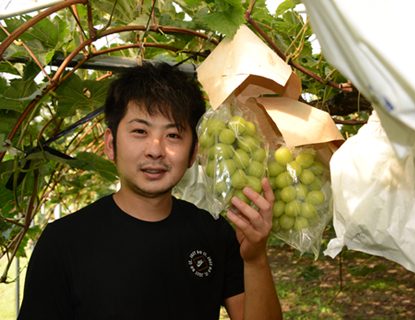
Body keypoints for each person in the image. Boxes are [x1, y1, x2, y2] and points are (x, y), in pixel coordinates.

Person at [17, 62, 282, 319]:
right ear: (110, 144)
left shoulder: (215, 233)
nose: (155, 149)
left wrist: (256, 259)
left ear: (193, 153)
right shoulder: (62, 243)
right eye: (140, 131)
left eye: (173, 135)